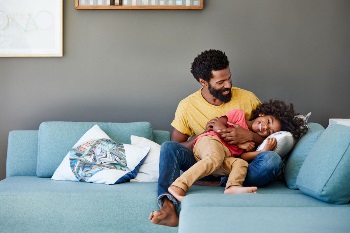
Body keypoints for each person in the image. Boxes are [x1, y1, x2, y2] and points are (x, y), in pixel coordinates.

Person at [149, 49, 281, 227]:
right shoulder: (187, 106)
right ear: (203, 82)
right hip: (203, 158)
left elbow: (266, 130)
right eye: (221, 82)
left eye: (229, 78)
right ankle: (169, 206)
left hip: (234, 163)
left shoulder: (247, 98)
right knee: (168, 147)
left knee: (272, 161)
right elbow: (177, 146)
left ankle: (224, 183)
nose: (228, 85)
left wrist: (248, 135)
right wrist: (203, 136)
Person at [168, 99, 308, 202]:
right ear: (262, 114)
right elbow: (218, 124)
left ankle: (232, 187)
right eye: (269, 121)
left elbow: (244, 157)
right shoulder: (238, 115)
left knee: (240, 164)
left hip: (224, 155)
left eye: (270, 131)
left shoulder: (252, 141)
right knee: (214, 158)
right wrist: (234, 138)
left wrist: (263, 151)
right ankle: (178, 185)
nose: (265, 127)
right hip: (209, 141)